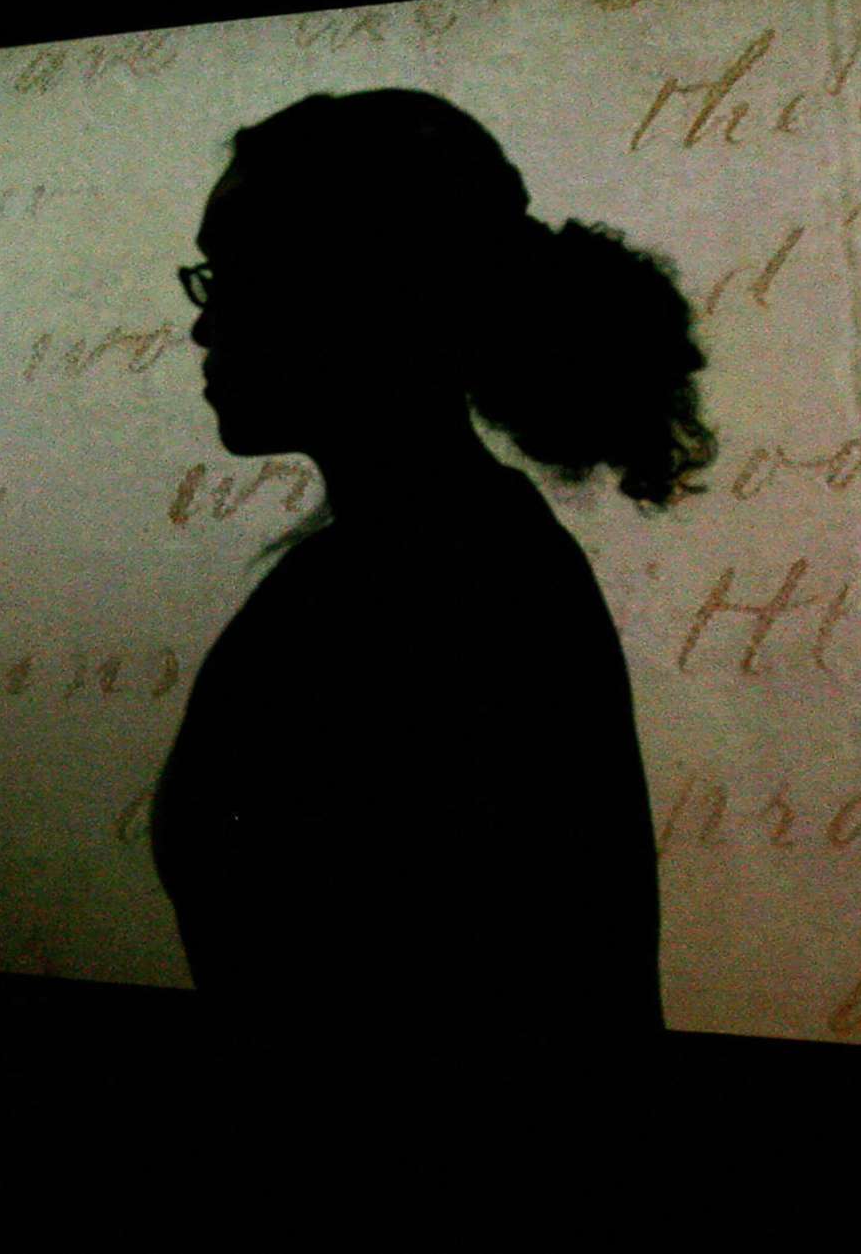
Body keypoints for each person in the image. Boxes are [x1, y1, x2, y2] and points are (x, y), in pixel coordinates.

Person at [150, 89, 712, 1091]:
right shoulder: (443, 554)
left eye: (237, 274)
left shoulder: (433, 586)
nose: (204, 326)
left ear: (362, 291)